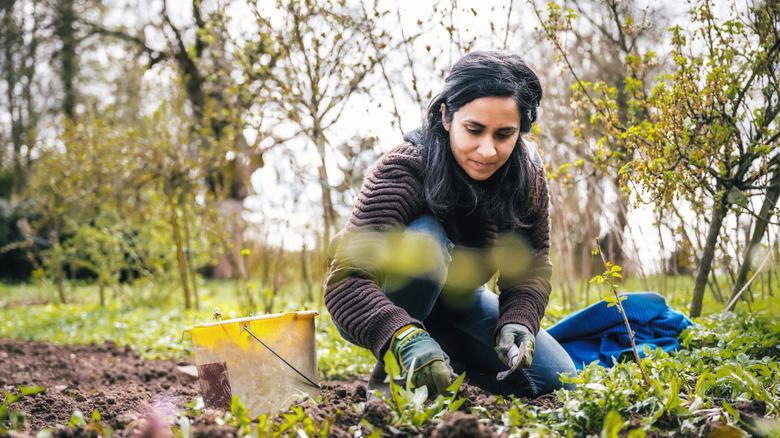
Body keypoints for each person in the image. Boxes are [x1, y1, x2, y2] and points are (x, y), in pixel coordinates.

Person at [324, 50, 576, 399]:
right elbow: (345, 282)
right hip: (374, 297)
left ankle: (439, 365)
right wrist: (402, 335)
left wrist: (518, 319)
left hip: (458, 301)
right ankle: (392, 380)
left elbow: (531, 267)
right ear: (446, 116)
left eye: (504, 134)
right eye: (474, 129)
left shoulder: (527, 177)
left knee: (555, 377)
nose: (487, 150)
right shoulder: (405, 168)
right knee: (425, 242)